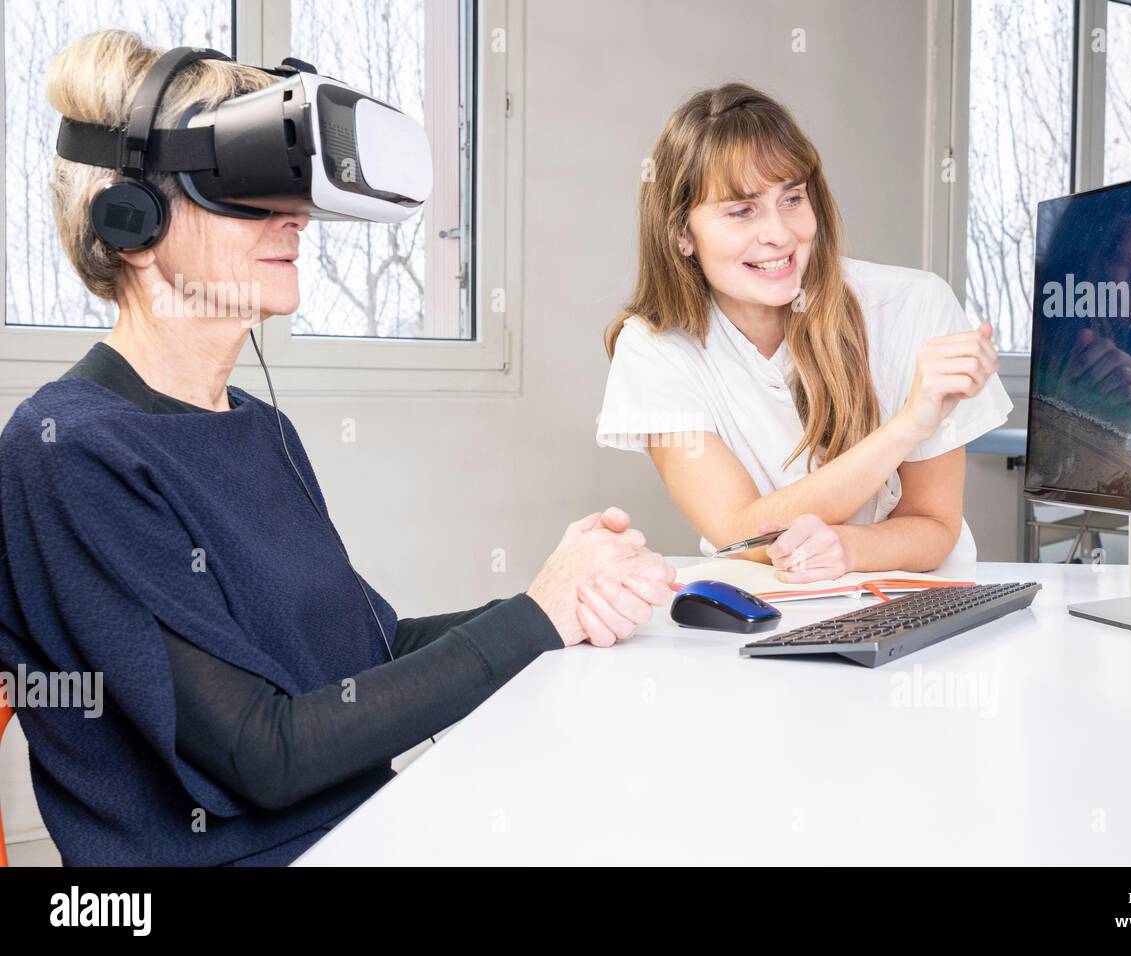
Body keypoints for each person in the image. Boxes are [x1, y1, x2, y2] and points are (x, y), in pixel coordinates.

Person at [0, 29, 674, 867]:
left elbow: (369, 656)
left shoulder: (256, 425)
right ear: (129, 216)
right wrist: (539, 616)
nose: (294, 217)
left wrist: (565, 597)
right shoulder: (67, 453)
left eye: (288, 186)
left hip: (373, 835)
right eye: (238, 183)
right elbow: (264, 754)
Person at [595, 83, 1012, 580]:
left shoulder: (913, 305)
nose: (781, 233)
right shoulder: (653, 347)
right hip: (770, 608)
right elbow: (738, 531)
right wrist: (908, 426)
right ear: (682, 233)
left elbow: (934, 524)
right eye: (741, 210)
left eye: (792, 198)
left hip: (919, 604)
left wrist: (849, 548)